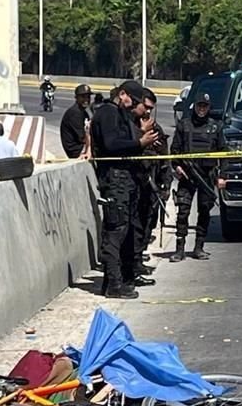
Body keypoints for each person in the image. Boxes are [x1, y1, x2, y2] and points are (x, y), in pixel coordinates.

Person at [90, 80, 159, 299]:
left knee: (126, 230)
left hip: (125, 180)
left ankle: (119, 281)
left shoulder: (120, 114)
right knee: (116, 231)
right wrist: (140, 142)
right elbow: (112, 144)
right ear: (123, 94)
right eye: (135, 101)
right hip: (114, 180)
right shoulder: (108, 113)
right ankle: (113, 286)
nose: (135, 106)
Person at [169, 92, 224, 262]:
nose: (202, 109)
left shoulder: (215, 127)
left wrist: (222, 176)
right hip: (187, 176)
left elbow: (223, 153)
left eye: (205, 106)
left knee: (204, 212)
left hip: (206, 177)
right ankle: (179, 249)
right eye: (199, 106)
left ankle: (199, 247)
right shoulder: (184, 125)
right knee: (183, 212)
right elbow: (175, 150)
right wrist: (177, 166)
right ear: (195, 106)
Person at [138, 88, 172, 259]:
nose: (148, 111)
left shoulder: (156, 128)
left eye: (152, 108)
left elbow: (165, 160)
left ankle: (141, 253)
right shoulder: (132, 125)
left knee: (149, 220)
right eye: (146, 106)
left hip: (154, 182)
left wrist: (166, 185)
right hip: (137, 181)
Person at [60, 84, 93, 159]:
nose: (86, 99)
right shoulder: (75, 113)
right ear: (76, 98)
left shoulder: (83, 113)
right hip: (76, 150)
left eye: (88, 97)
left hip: (81, 146)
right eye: (83, 97)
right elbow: (82, 138)